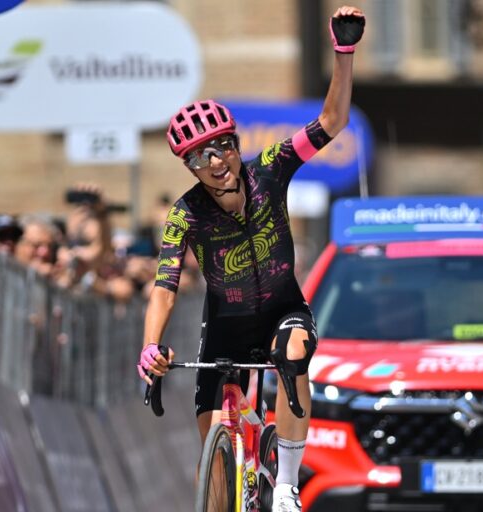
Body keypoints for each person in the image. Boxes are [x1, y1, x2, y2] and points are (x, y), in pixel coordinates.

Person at [136, 6, 365, 511]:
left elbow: (332, 121)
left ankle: (284, 485)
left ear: (236, 144)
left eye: (221, 148)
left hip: (283, 309)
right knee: (215, 469)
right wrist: (150, 346)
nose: (215, 163)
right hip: (226, 328)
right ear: (189, 167)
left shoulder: (271, 169)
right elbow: (165, 286)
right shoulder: (185, 214)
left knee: (293, 350)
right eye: (199, 157)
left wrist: (343, 53)